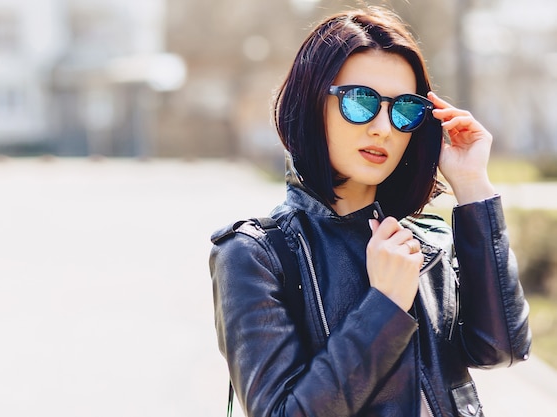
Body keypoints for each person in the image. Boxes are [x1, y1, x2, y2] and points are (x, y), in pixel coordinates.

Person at [209, 6, 531, 417]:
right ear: (312, 104)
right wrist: (385, 307)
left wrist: (472, 187)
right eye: (360, 101)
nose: (383, 126)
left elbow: (502, 349)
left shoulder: (424, 243)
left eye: (404, 109)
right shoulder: (256, 255)